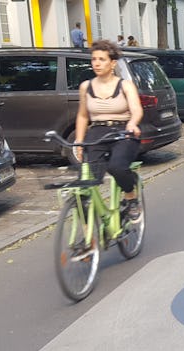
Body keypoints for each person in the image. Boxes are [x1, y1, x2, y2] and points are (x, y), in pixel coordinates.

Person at [74, 39, 145, 221]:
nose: (96, 63)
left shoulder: (125, 85)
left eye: (102, 59)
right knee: (86, 182)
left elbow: (136, 109)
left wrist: (132, 123)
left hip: (123, 132)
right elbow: (83, 116)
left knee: (117, 167)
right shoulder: (86, 86)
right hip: (97, 132)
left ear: (112, 63)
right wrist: (79, 141)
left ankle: (130, 197)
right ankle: (89, 238)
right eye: (94, 59)